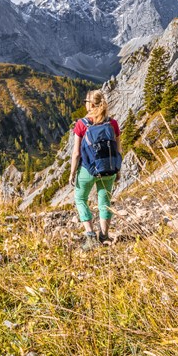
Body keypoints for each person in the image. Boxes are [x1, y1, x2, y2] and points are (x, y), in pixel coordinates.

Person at [69, 90, 122, 251]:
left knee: (80, 198)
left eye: (86, 101)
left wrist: (72, 173)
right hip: (109, 168)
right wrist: (117, 169)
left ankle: (90, 236)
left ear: (91, 104)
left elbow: (77, 153)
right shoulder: (112, 123)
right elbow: (118, 149)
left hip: (88, 169)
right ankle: (104, 235)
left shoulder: (82, 124)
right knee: (104, 201)